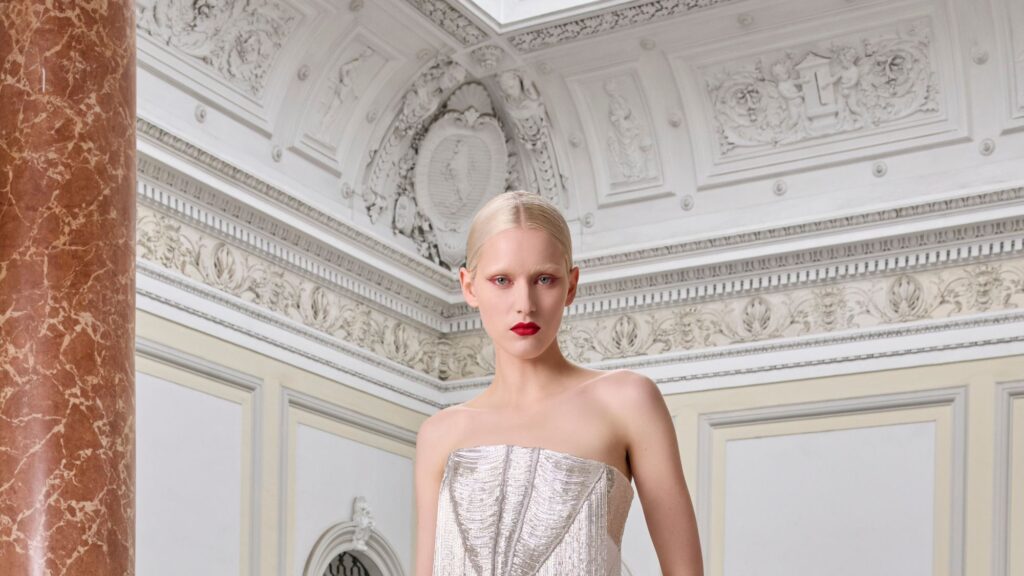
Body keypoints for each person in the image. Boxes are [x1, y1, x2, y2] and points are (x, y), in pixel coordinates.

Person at [413, 190, 703, 575]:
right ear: (469, 287)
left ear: (571, 285)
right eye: (502, 280)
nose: (525, 303)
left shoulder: (627, 401)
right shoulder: (439, 434)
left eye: (544, 279)